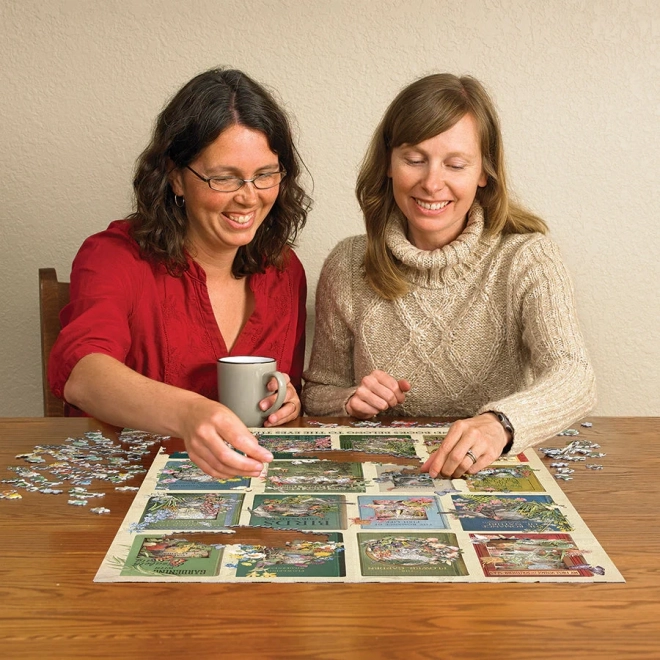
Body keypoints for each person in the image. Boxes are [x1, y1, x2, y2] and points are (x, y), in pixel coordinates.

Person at [302, 73, 596, 479]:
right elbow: (317, 393)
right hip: (383, 476)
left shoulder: (527, 257)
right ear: (388, 163)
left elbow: (575, 376)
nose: (431, 183)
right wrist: (350, 400)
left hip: (489, 472)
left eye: (455, 164)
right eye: (414, 160)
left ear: (483, 172)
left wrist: (499, 424)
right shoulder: (348, 263)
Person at [49, 68, 311, 479]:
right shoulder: (113, 257)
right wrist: (190, 413)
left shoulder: (285, 271)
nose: (249, 197)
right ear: (175, 176)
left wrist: (289, 401)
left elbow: (284, 396)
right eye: (224, 178)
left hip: (245, 489)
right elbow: (83, 375)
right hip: (125, 488)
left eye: (265, 174)